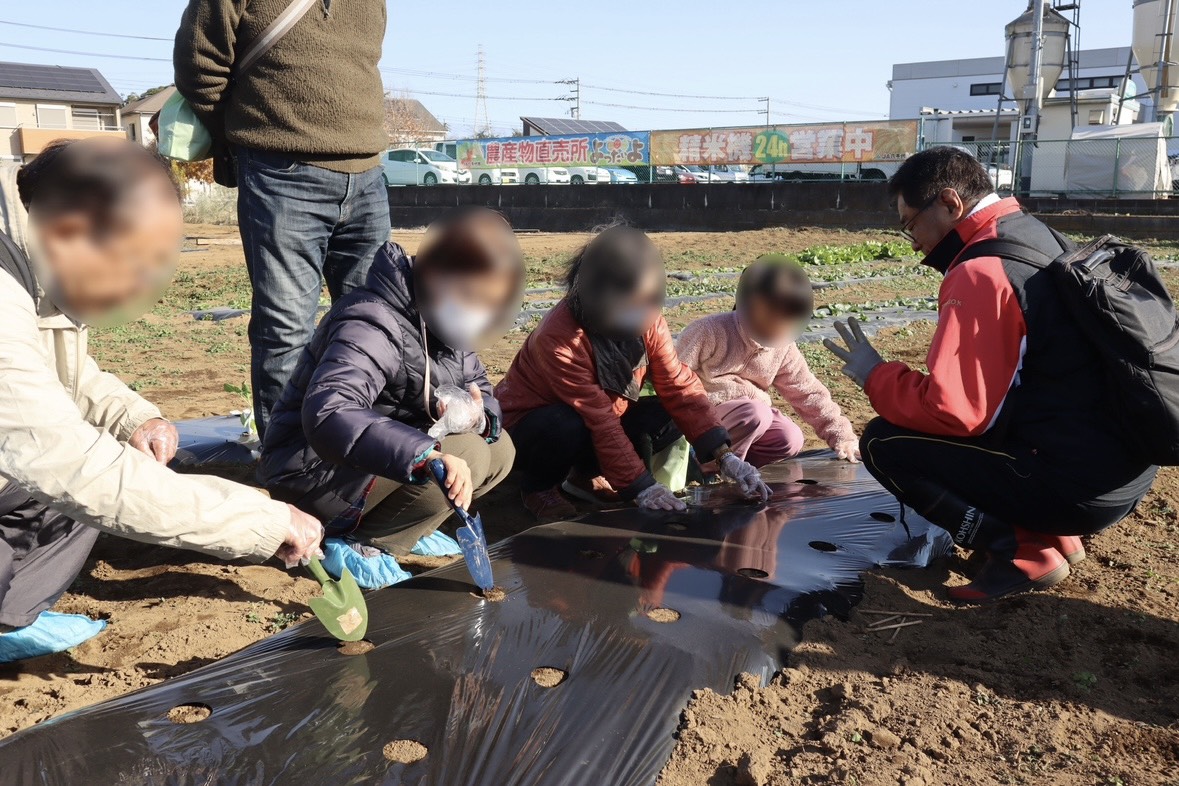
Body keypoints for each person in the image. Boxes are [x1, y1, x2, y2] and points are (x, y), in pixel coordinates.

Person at [0, 139, 322, 663]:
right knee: (88, 482)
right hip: (30, 457)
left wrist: (134, 416)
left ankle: (7, 618)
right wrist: (260, 520)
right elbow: (67, 462)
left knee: (100, 473)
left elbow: (64, 373)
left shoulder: (38, 256)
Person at [823, 146, 1157, 603]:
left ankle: (1022, 550)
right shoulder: (1036, 236)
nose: (914, 242)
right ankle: (1054, 535)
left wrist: (876, 375)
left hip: (1076, 485)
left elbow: (956, 413)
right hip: (1119, 471)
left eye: (910, 224)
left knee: (885, 444)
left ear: (950, 203)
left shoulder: (981, 271)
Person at [259, 208, 522, 589]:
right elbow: (330, 412)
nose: (477, 313)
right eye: (472, 298)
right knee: (467, 455)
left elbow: (479, 383)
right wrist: (425, 454)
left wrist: (477, 416)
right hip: (311, 471)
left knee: (499, 451)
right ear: (436, 276)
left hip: (366, 465)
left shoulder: (445, 321)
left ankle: (405, 525)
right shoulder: (372, 320)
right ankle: (359, 541)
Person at [174, 0, 391, 438]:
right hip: (281, 174)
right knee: (286, 330)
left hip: (367, 173)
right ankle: (291, 465)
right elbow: (199, 64)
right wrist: (248, 134)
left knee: (379, 323)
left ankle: (372, 446)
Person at [495, 226, 771, 523]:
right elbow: (598, 418)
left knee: (669, 413)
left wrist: (724, 455)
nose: (644, 312)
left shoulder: (648, 318)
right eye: (632, 303)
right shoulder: (560, 339)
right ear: (601, 295)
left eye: (648, 300)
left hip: (599, 420)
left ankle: (582, 477)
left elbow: (678, 386)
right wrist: (641, 487)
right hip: (529, 431)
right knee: (566, 423)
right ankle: (539, 488)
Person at [677, 255, 859, 467]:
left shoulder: (782, 347)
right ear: (753, 304)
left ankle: (736, 464)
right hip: (702, 420)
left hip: (747, 419)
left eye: (786, 321)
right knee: (755, 414)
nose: (778, 327)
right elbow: (672, 378)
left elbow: (807, 391)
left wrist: (842, 434)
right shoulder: (708, 331)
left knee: (790, 438)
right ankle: (707, 468)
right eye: (773, 316)